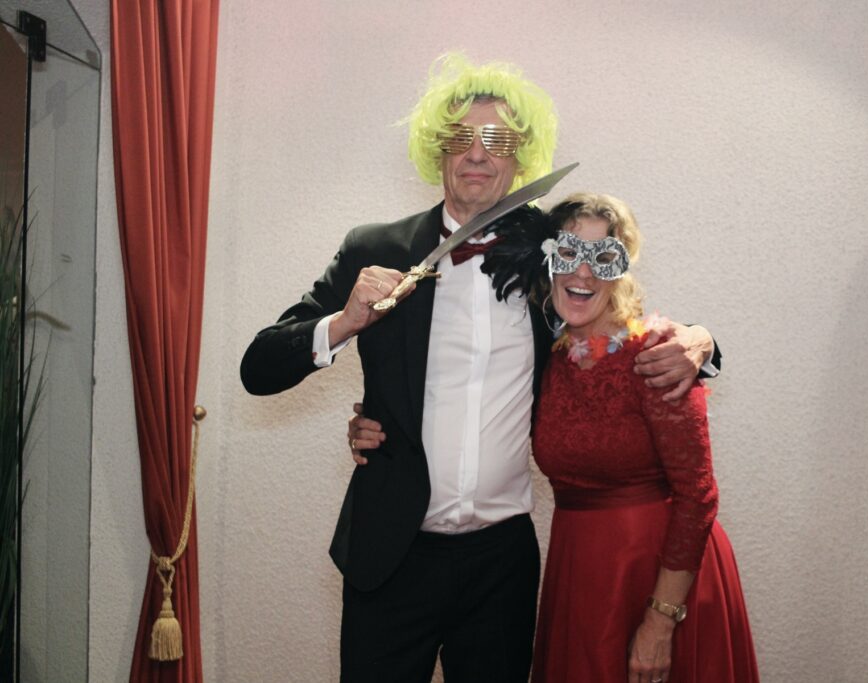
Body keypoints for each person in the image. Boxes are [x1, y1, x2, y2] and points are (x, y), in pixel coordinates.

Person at [241, 54, 719, 683]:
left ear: (521, 158)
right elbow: (258, 368)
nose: (477, 154)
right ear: (435, 149)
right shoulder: (375, 248)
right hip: (391, 555)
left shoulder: (548, 252)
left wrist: (701, 342)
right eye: (460, 137)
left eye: (497, 140)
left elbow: (615, 315)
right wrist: (345, 322)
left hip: (501, 565)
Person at [530, 193, 758, 682]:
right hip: (579, 572)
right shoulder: (546, 355)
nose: (583, 273)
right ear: (548, 260)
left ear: (622, 270)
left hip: (660, 580)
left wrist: (660, 620)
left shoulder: (658, 354)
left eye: (603, 257)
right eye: (568, 252)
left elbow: (698, 495)